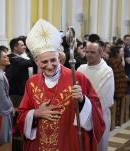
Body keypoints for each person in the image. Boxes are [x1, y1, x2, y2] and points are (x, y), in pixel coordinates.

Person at [16, 19, 105, 151]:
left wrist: (82, 100)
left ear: (59, 57)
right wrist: (35, 113)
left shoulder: (77, 77)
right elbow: (22, 114)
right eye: (44, 62)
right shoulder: (32, 83)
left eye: (53, 60)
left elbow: (96, 110)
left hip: (68, 141)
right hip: (39, 143)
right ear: (36, 61)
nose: (50, 66)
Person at [77, 42, 115, 151]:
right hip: (79, 115)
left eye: (92, 52)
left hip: (99, 115)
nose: (88, 55)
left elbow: (101, 98)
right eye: (87, 51)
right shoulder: (80, 69)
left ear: (100, 53)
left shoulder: (107, 71)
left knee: (98, 146)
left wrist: (82, 100)